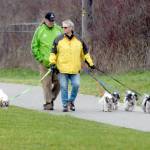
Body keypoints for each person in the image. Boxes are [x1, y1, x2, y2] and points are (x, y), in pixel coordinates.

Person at [49, 19, 95, 112]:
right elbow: (53, 53)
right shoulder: (58, 39)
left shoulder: (79, 40)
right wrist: (52, 63)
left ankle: (71, 101)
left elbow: (85, 54)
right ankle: (65, 105)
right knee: (64, 87)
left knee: (76, 85)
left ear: (71, 28)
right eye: (62, 27)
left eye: (65, 27)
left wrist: (90, 63)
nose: (63, 29)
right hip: (62, 69)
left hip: (75, 69)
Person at [31, 12, 63, 110]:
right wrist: (40, 58)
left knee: (60, 82)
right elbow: (34, 46)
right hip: (44, 63)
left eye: (53, 21)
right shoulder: (39, 30)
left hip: (57, 62)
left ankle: (52, 97)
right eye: (49, 21)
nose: (51, 23)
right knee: (46, 83)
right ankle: (48, 103)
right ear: (45, 20)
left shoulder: (58, 29)